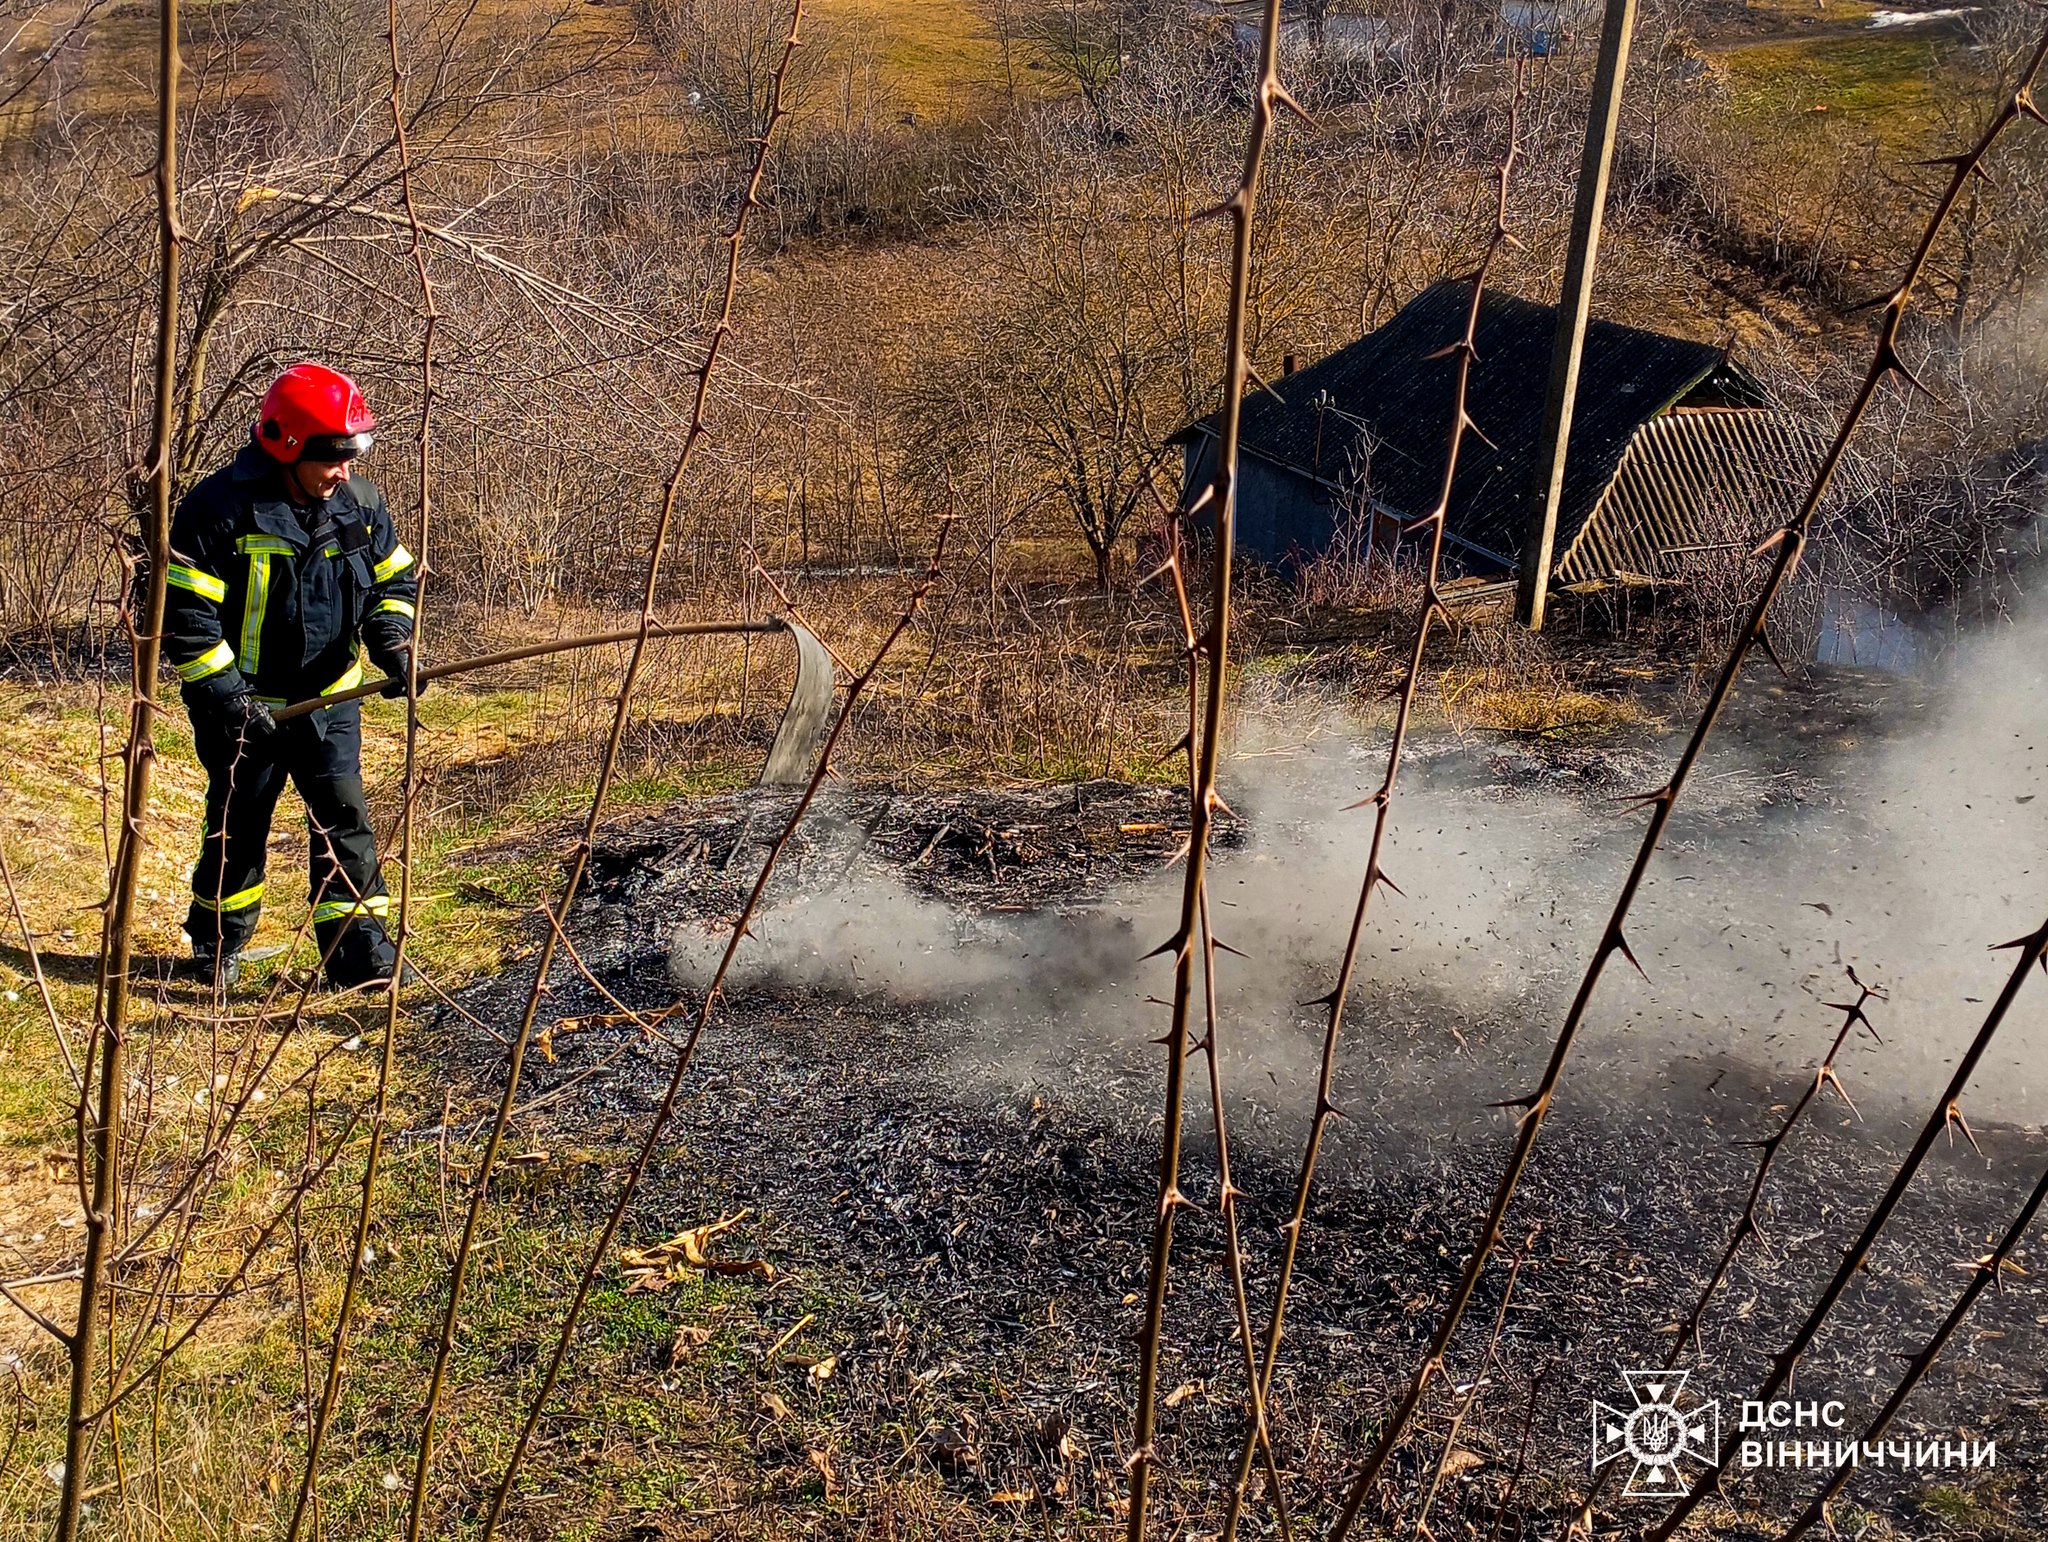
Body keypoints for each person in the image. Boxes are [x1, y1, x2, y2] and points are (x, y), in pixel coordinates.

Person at [162, 362, 422, 989]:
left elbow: (394, 580)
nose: (344, 471)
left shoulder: (358, 505)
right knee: (238, 824)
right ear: (287, 444)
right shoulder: (218, 510)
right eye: (333, 456)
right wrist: (228, 697)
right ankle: (215, 948)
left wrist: (390, 640)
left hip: (330, 702)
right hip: (247, 709)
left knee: (345, 824)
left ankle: (360, 963)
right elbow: (187, 619)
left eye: (352, 455)